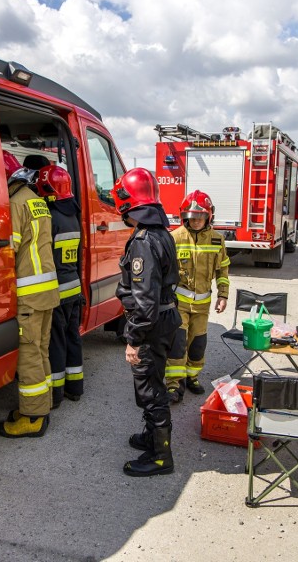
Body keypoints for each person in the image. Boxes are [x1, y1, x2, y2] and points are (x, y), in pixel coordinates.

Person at [113, 167, 181, 477]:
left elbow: (144, 299)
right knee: (153, 383)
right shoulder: (161, 233)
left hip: (151, 325)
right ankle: (152, 436)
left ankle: (159, 457)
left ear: (128, 203)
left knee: (151, 391)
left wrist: (134, 340)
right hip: (165, 319)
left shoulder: (143, 240)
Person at [0, 151, 60, 438]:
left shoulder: (14, 204)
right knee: (42, 349)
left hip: (29, 294)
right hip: (47, 290)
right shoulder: (36, 201)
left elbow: (8, 252)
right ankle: (43, 405)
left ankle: (33, 417)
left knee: (29, 355)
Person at [165, 190, 229, 403]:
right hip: (179, 303)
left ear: (209, 217)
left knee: (197, 344)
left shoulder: (217, 240)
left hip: (203, 304)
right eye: (192, 217)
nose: (196, 221)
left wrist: (223, 295)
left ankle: (192, 377)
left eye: (200, 217)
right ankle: (174, 386)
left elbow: (223, 271)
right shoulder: (174, 237)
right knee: (177, 343)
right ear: (184, 217)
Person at [36, 164, 84, 407]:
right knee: (72, 337)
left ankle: (55, 394)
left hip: (56, 291)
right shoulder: (72, 216)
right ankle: (75, 387)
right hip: (74, 287)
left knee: (55, 341)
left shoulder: (49, 217)